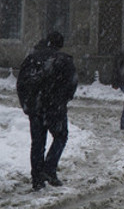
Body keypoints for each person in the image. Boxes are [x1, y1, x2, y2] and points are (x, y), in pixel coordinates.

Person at [16, 32, 78, 191]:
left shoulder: (31, 58)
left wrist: (26, 103)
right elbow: (71, 84)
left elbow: (21, 82)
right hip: (54, 107)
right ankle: (49, 168)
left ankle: (37, 178)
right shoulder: (64, 60)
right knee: (61, 136)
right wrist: (62, 100)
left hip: (35, 107)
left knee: (37, 143)